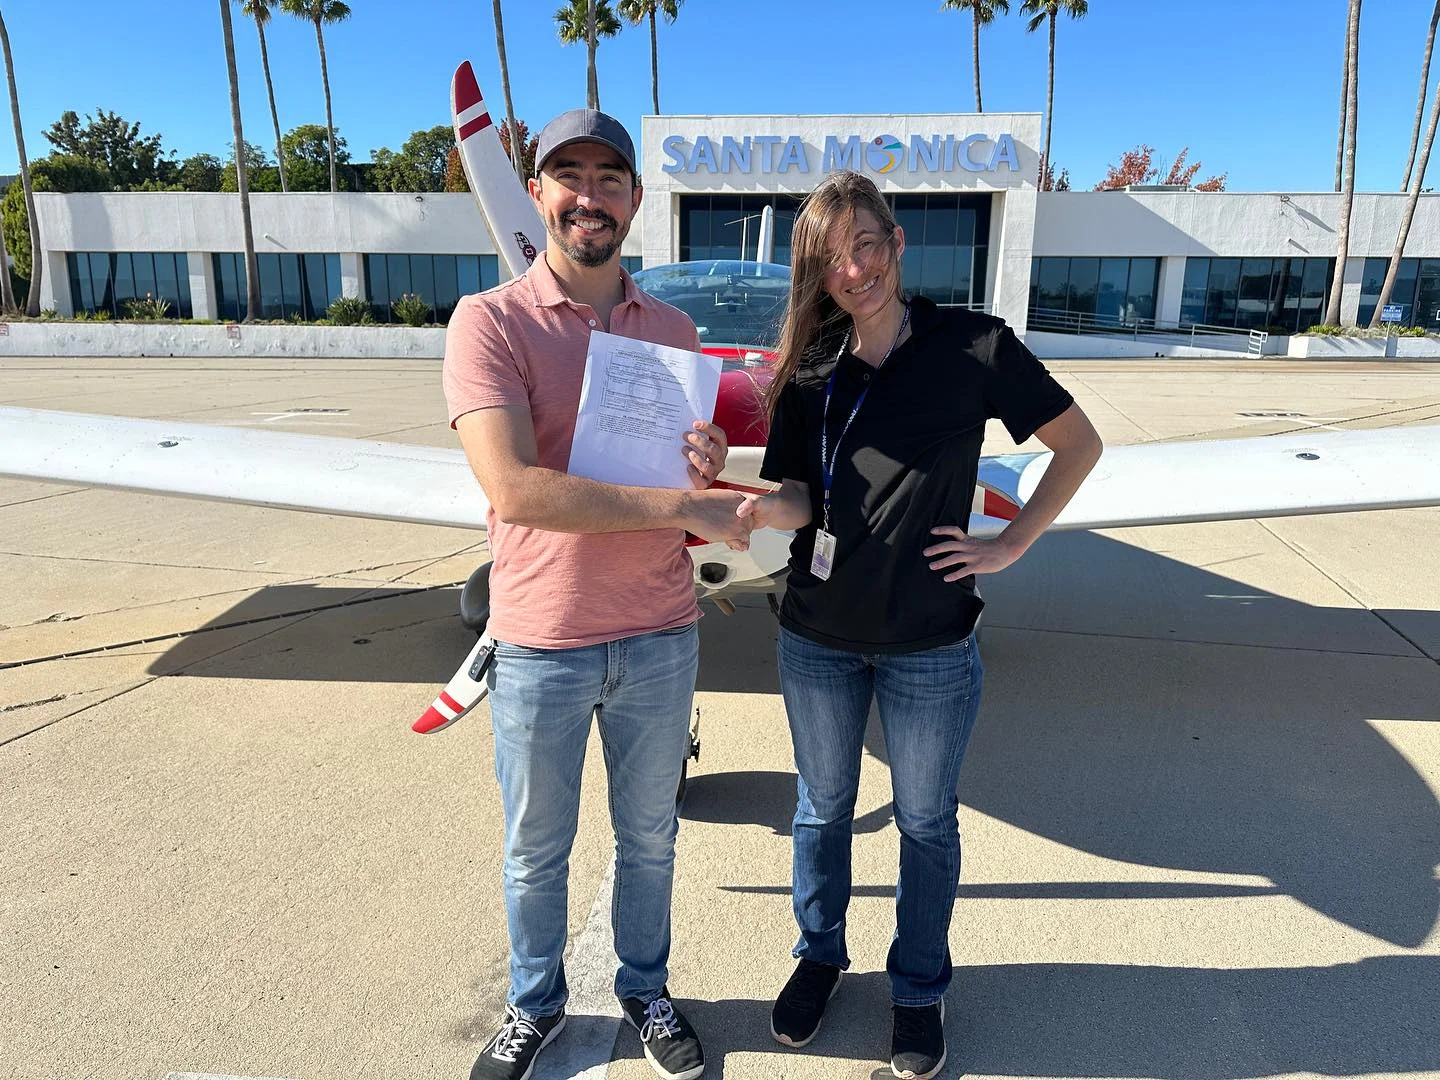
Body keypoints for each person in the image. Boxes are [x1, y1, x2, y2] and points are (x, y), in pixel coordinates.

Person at [738, 171, 1102, 1080]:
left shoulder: (972, 346)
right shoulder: (811, 363)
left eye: (866, 246)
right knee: (821, 814)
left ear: (897, 245)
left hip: (933, 643)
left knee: (927, 823)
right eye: (831, 260)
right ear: (818, 276)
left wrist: (1010, 545)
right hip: (817, 634)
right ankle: (819, 958)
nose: (853, 270)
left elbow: (1078, 444)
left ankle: (918, 988)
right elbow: (796, 493)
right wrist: (743, 501)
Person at [444, 107, 749, 1080]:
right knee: (536, 849)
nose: (589, 193)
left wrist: (707, 452)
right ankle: (532, 1006)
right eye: (567, 175)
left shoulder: (672, 329)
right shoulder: (487, 323)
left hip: (661, 632)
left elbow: (688, 465)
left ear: (634, 201)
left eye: (609, 178)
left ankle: (646, 989)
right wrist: (682, 496)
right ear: (539, 197)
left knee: (650, 842)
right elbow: (516, 490)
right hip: (539, 640)